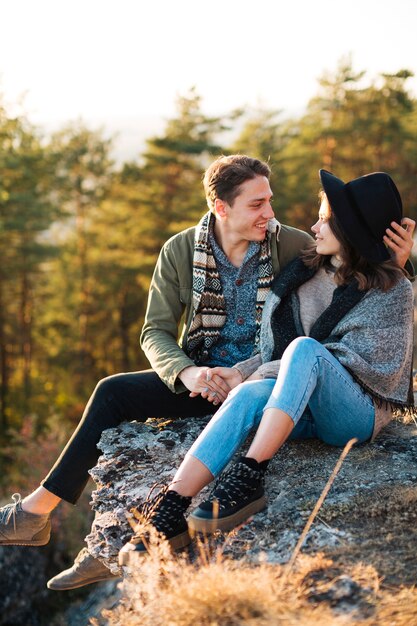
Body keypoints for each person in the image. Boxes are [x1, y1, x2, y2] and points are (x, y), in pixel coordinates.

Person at [0, 156, 413, 590]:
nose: (270, 213)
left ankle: (109, 546)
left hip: (270, 376)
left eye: (269, 201)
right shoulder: (180, 251)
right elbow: (154, 331)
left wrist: (394, 260)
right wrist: (187, 373)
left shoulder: (290, 246)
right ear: (221, 206)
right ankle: (40, 514)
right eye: (256, 205)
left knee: (288, 363)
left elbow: (358, 281)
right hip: (210, 377)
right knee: (111, 392)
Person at [118, 169, 415, 566]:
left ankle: (250, 474)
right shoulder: (307, 274)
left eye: (326, 219)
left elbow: (335, 361)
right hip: (301, 405)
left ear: (353, 230)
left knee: (305, 349)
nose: (314, 226)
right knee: (248, 394)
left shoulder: (394, 289)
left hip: (354, 414)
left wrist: (396, 267)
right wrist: (242, 373)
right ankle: (171, 509)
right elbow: (279, 351)